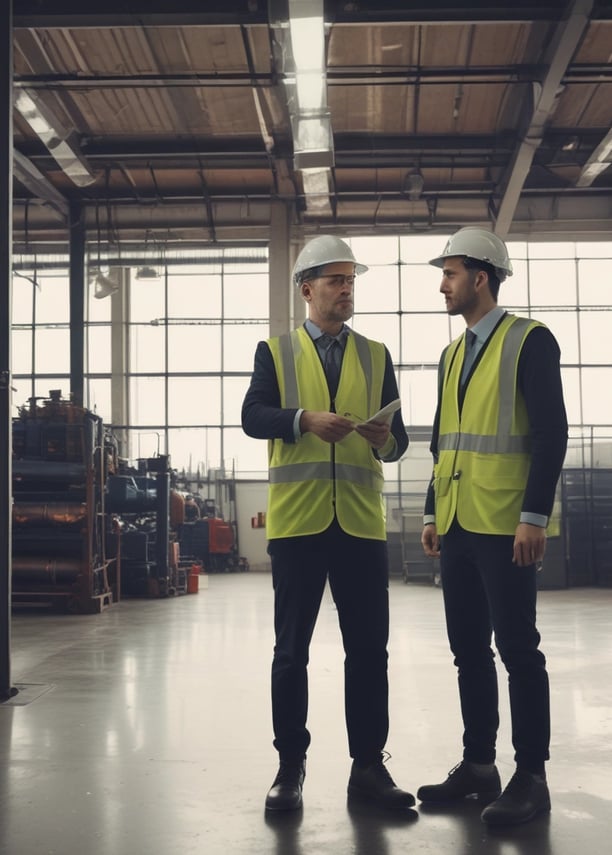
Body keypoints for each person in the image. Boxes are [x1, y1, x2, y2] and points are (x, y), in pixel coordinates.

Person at [242, 235, 413, 812]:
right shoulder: (276, 352)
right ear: (307, 288)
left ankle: (368, 766)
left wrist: (387, 440)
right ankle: (289, 769)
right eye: (336, 280)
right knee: (291, 652)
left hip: (361, 527)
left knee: (369, 652)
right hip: (299, 527)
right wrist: (303, 420)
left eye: (351, 280)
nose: (346, 289)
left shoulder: (376, 354)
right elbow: (252, 416)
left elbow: (401, 440)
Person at [418, 227, 568, 826]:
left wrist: (533, 516)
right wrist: (432, 509)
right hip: (457, 522)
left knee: (518, 650)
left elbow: (550, 433)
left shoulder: (530, 340)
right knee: (468, 652)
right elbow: (443, 440)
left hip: (507, 524)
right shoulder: (453, 354)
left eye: (450, 273)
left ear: (481, 277)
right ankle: (479, 764)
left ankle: (531, 776)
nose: (443, 284)